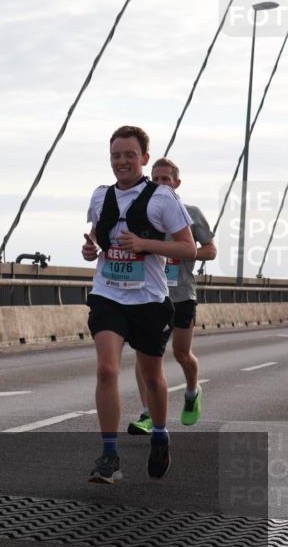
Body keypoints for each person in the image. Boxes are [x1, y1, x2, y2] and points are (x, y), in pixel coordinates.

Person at [82, 125, 196, 484]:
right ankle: (109, 455)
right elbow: (99, 239)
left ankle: (160, 434)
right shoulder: (100, 197)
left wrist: (147, 245)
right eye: (116, 155)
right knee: (107, 370)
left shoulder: (163, 199)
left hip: (148, 298)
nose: (122, 161)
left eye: (130, 155)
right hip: (108, 294)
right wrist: (90, 250)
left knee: (152, 375)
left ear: (144, 158)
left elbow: (188, 248)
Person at [127, 158, 216, 435]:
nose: (161, 184)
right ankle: (147, 413)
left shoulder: (190, 213)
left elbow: (210, 251)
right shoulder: (144, 215)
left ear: (177, 183)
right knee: (144, 357)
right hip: (150, 294)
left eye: (166, 179)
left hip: (181, 295)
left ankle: (192, 393)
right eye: (155, 180)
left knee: (181, 353)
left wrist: (178, 251)